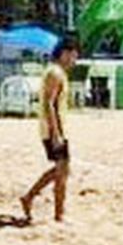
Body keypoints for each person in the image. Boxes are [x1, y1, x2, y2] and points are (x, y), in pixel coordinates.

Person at [21, 37, 78, 223]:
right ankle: (56, 213)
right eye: (72, 57)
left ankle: (31, 198)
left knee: (62, 170)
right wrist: (56, 134)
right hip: (52, 129)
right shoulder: (55, 73)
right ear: (65, 53)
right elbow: (48, 104)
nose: (74, 61)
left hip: (57, 127)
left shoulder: (57, 72)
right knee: (62, 171)